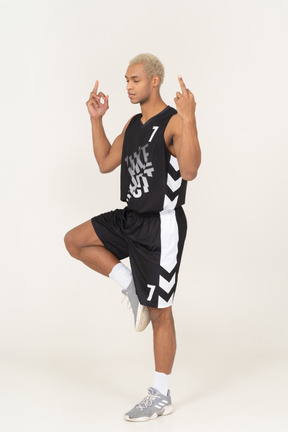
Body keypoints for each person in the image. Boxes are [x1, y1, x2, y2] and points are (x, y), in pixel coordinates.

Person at [64, 53, 201, 422]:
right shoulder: (134, 123)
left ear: (154, 80)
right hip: (130, 217)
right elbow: (106, 161)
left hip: (161, 226)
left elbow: (189, 169)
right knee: (75, 241)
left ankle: (161, 393)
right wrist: (97, 120)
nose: (128, 86)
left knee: (160, 313)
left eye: (135, 80)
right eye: (126, 80)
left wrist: (189, 117)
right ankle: (130, 287)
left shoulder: (172, 122)